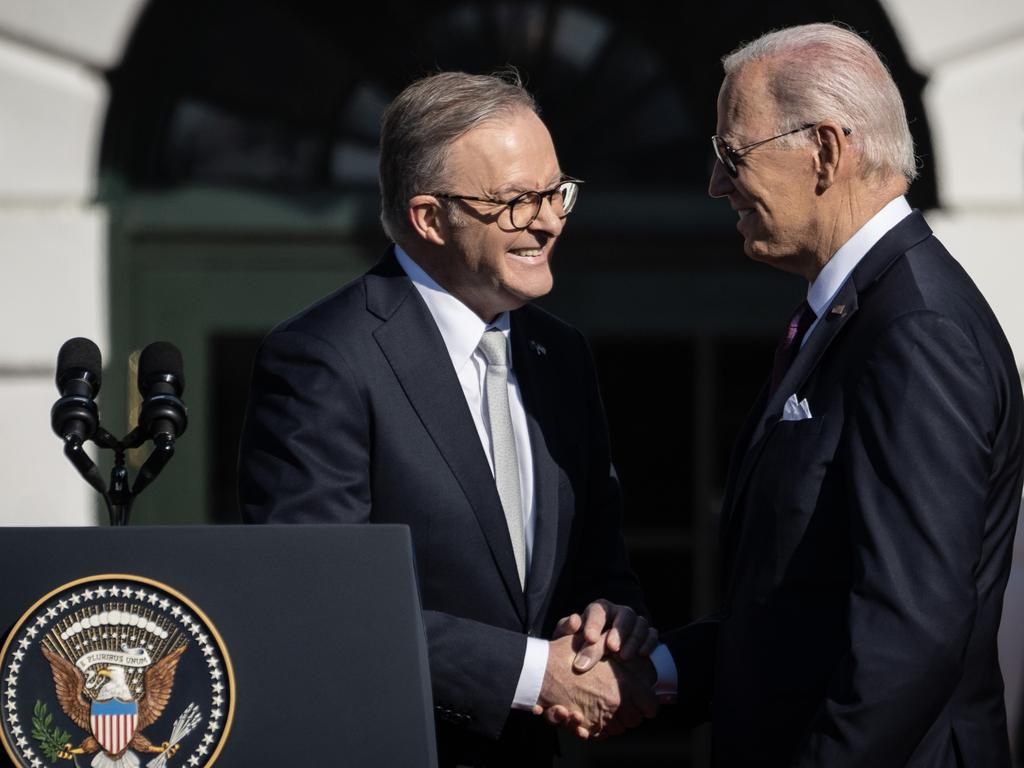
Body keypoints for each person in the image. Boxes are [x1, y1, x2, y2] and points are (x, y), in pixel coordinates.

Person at [558, 21, 1023, 767]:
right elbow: (799, 607)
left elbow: (910, 633)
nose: (715, 184)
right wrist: (655, 675)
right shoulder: (851, 315)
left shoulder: (915, 331)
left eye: (731, 155)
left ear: (827, 151)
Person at [237, 70, 661, 766]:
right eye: (517, 201)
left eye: (556, 193)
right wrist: (530, 676)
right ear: (429, 217)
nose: (549, 220)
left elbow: (598, 557)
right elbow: (317, 602)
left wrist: (608, 618)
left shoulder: (562, 354)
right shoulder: (323, 360)